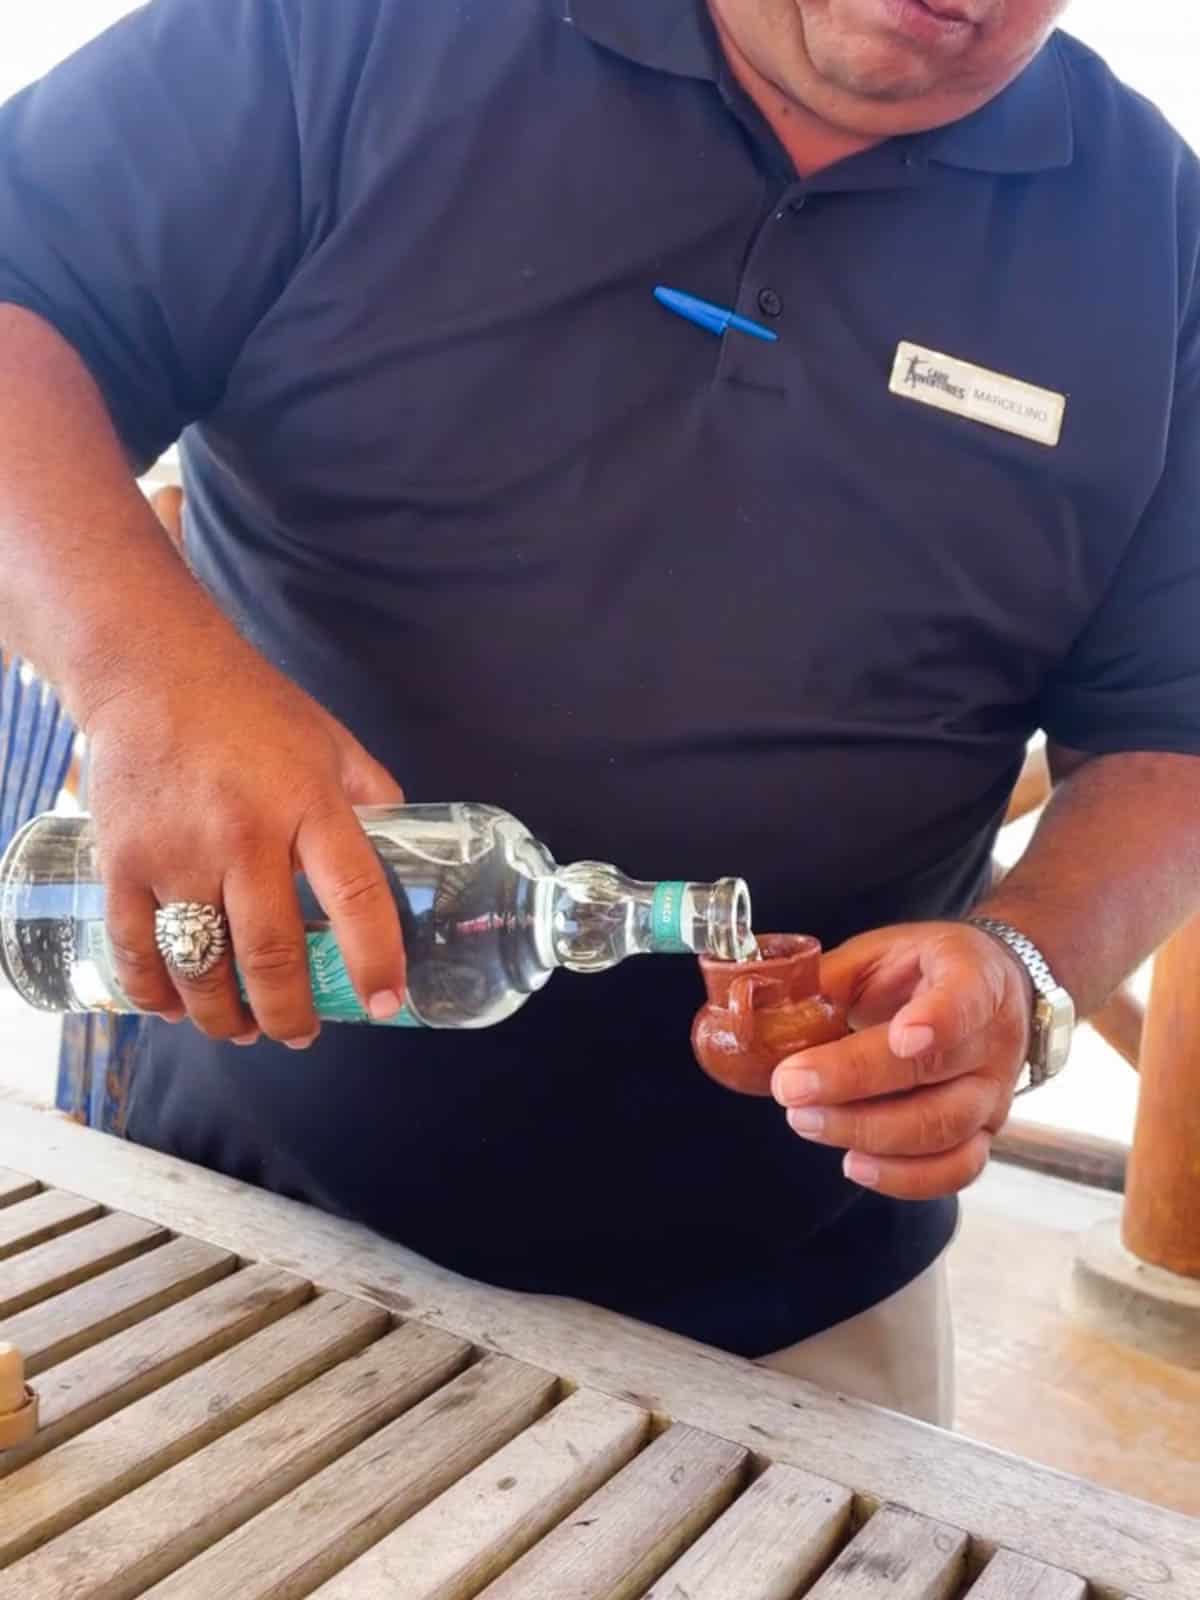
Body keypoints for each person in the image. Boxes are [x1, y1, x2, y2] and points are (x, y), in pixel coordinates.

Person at [0, 0, 1197, 1428]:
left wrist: (1028, 965)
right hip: (223, 1218)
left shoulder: (1154, 239)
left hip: (799, 1318)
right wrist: (149, 677)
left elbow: (1169, 732)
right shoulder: (358, 31)